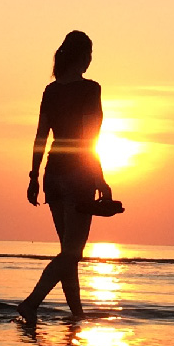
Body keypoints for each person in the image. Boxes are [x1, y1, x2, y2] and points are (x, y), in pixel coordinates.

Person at [17, 30, 111, 322]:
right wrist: (99, 178)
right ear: (81, 56)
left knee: (68, 254)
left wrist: (34, 176)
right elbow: (87, 140)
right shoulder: (90, 89)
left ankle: (78, 316)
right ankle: (31, 302)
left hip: (52, 174)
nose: (91, 59)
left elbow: (40, 137)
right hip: (78, 175)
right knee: (72, 253)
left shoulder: (51, 91)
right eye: (90, 53)